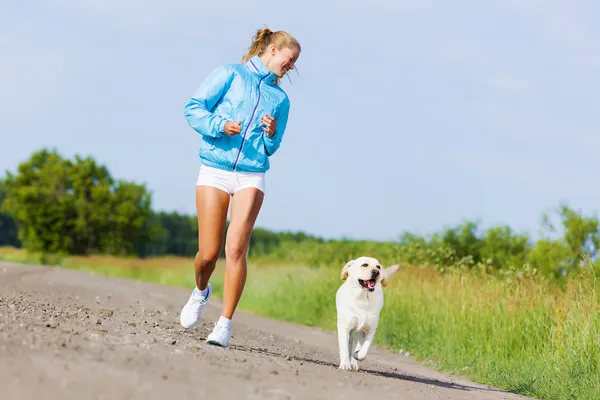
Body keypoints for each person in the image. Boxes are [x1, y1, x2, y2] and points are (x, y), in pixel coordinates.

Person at [179, 26, 301, 348]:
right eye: (288, 61)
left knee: (236, 249)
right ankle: (201, 291)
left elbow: (272, 147)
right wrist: (220, 125)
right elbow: (193, 108)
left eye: (293, 65)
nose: (289, 68)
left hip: (251, 175)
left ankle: (224, 324)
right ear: (272, 50)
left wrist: (272, 132)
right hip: (215, 169)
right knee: (208, 254)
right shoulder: (230, 74)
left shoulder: (281, 99)